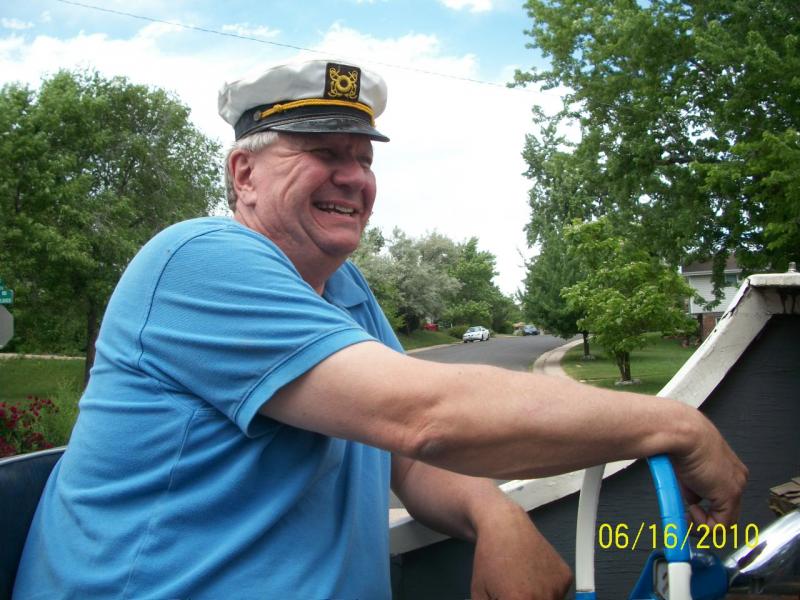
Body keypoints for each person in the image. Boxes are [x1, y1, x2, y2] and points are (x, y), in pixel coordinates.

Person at [13, 59, 746, 600]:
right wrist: (677, 426)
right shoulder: (198, 261)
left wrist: (492, 512)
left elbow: (404, 458)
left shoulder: (343, 289)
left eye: (363, 159)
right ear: (244, 175)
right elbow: (426, 417)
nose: (354, 177)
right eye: (324, 153)